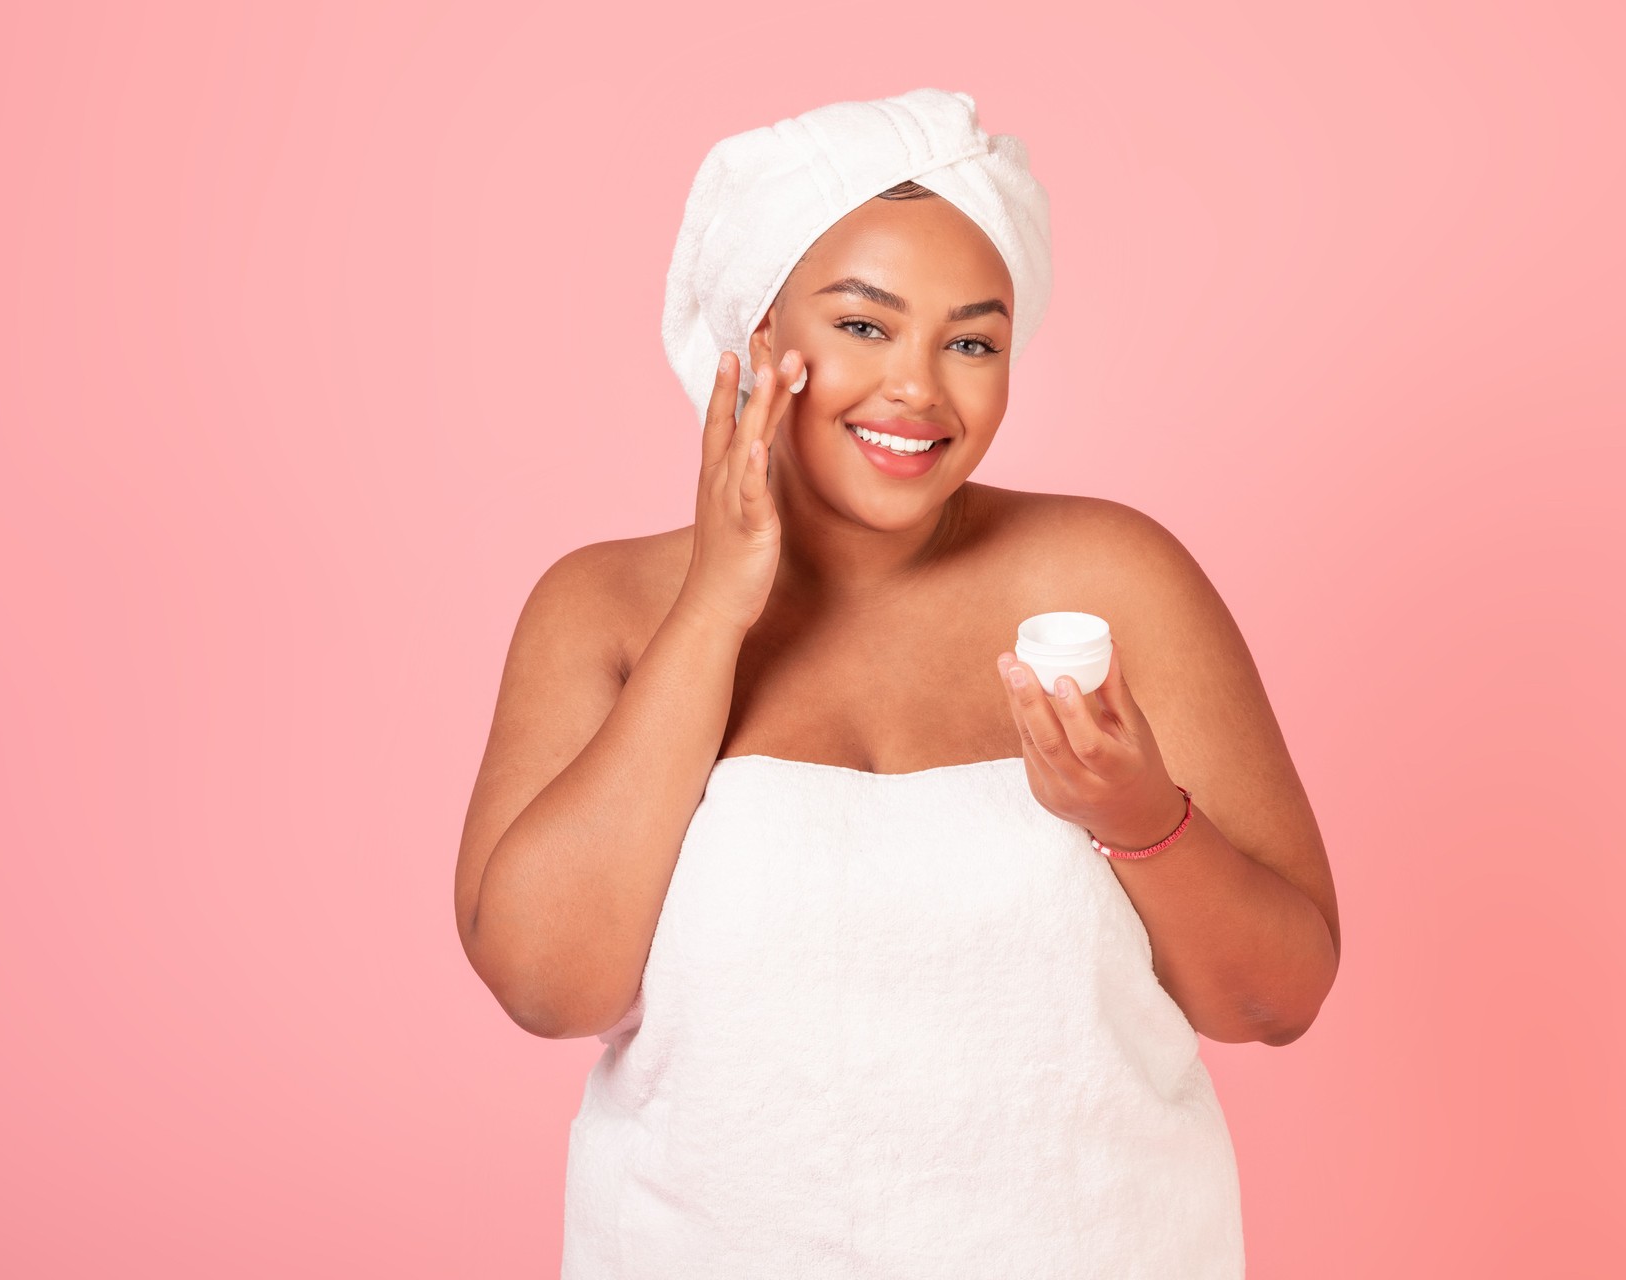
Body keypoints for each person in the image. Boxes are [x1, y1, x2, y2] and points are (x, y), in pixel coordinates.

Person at [454, 88, 1339, 1279]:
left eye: (971, 340)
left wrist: (1140, 820)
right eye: (866, 326)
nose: (921, 386)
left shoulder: (1114, 579)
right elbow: (549, 985)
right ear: (759, 341)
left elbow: (1275, 999)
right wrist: (714, 606)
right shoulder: (603, 609)